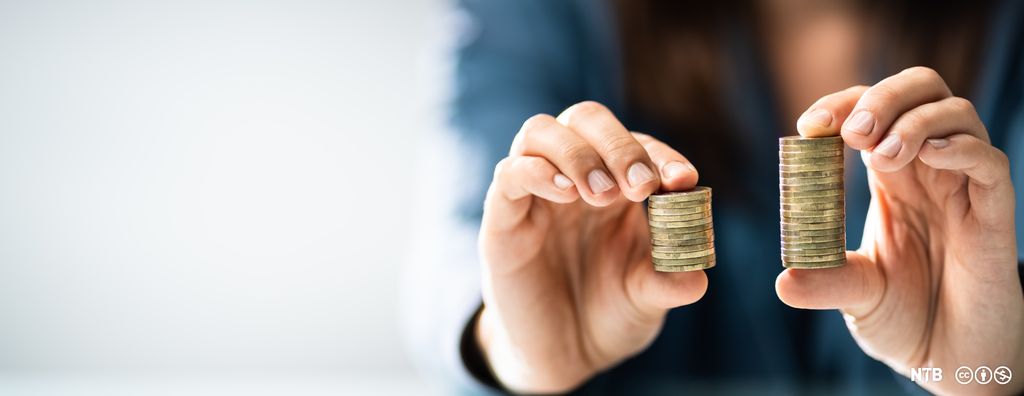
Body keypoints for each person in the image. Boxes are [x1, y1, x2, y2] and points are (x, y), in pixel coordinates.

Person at [404, 0, 1024, 394]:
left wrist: (994, 373)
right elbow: (456, 246)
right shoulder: (536, 16)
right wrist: (516, 351)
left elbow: (990, 363)